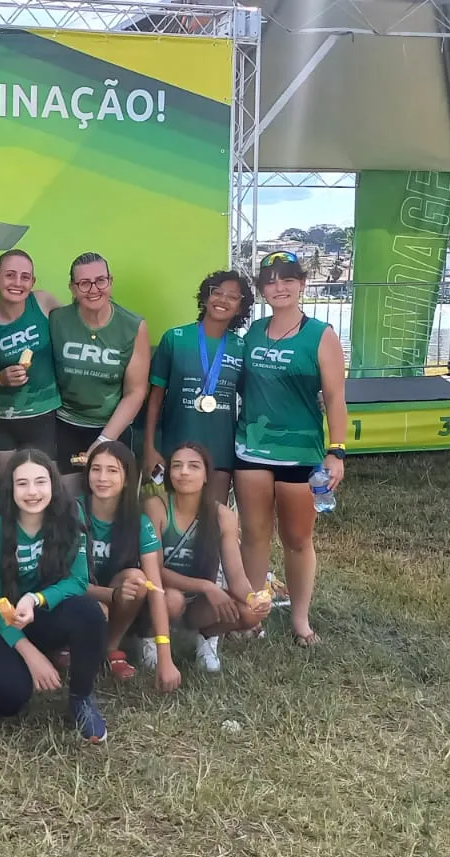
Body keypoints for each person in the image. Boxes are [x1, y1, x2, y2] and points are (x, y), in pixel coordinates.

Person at [235, 251, 349, 647]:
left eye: (287, 279)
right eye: (270, 281)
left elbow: (335, 398)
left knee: (297, 540)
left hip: (301, 454)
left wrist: (337, 451)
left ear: (302, 284)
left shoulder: (321, 334)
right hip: (250, 450)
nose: (278, 287)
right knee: (254, 536)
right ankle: (253, 616)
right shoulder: (253, 333)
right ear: (261, 289)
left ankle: (300, 621)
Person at [0, 450, 108, 743]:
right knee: (7, 699)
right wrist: (29, 654)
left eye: (40, 482)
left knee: (89, 612)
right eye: (22, 483)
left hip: (43, 612)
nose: (32, 492)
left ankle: (81, 698)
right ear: (10, 489)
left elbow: (78, 581)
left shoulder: (70, 517)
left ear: (53, 484)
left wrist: (36, 599)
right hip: (3, 620)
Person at [152, 443, 268, 672]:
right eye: (177, 466)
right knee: (172, 599)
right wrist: (206, 586)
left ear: (206, 475)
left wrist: (253, 598)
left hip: (199, 601)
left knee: (249, 613)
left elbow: (235, 574)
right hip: (160, 594)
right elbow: (153, 570)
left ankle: (206, 638)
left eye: (193, 466)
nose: (184, 472)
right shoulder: (156, 507)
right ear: (169, 473)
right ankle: (149, 637)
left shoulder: (223, 515)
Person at [143, 270, 250, 508]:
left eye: (233, 297)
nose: (223, 300)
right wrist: (149, 447)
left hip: (220, 451)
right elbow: (155, 398)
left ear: (240, 308)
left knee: (213, 518)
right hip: (175, 448)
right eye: (217, 292)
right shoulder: (175, 338)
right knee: (172, 517)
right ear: (205, 297)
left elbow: (253, 397)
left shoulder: (241, 347)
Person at [79, 441, 180, 691]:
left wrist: (165, 656)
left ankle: (110, 647)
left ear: (126, 479)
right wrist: (109, 595)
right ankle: (66, 646)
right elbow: (65, 580)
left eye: (112, 470)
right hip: (76, 595)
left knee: (137, 579)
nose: (102, 478)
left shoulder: (139, 521)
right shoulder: (73, 511)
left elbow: (155, 587)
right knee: (97, 608)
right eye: (96, 469)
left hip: (116, 599)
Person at [48, 252, 150, 481]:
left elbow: (135, 392)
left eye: (100, 281)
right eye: (84, 283)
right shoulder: (56, 319)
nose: (93, 289)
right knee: (69, 498)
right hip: (65, 425)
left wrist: (104, 439)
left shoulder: (133, 325)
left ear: (110, 282)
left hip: (113, 426)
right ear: (72, 288)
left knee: (110, 495)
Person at [0, 250, 62, 465]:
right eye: (10, 275)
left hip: (45, 415)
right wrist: (1, 378)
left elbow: (76, 324)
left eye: (25, 277)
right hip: (2, 419)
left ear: (32, 282)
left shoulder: (43, 302)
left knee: (43, 480)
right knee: (5, 481)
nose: (17, 283)